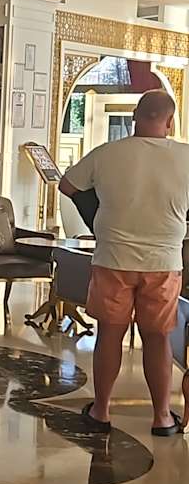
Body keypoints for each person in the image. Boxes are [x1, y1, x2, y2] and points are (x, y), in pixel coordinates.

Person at [59, 89, 189, 436]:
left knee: (110, 334)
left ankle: (101, 411)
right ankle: (162, 417)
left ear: (134, 117)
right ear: (170, 121)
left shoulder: (107, 153)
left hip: (113, 258)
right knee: (158, 338)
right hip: (164, 262)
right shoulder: (186, 156)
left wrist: (96, 212)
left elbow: (67, 185)